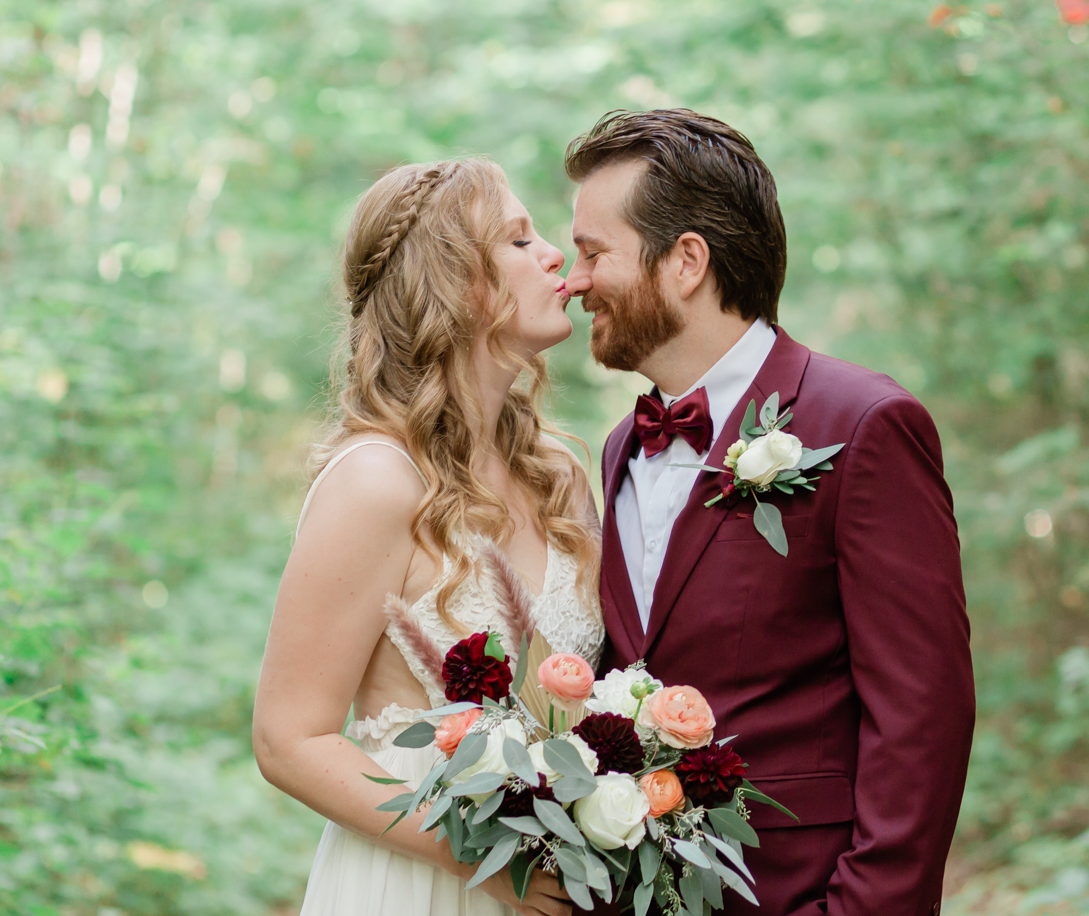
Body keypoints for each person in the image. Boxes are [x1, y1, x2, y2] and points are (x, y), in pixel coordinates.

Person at [562, 110, 976, 916]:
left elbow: (923, 715)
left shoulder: (861, 424)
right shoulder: (619, 448)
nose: (573, 280)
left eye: (592, 252)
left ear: (686, 261)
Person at [252, 158, 603, 916]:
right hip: (418, 881)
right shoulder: (376, 480)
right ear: (456, 283)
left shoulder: (561, 480)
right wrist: (488, 860)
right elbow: (289, 739)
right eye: (518, 239)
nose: (555, 255)